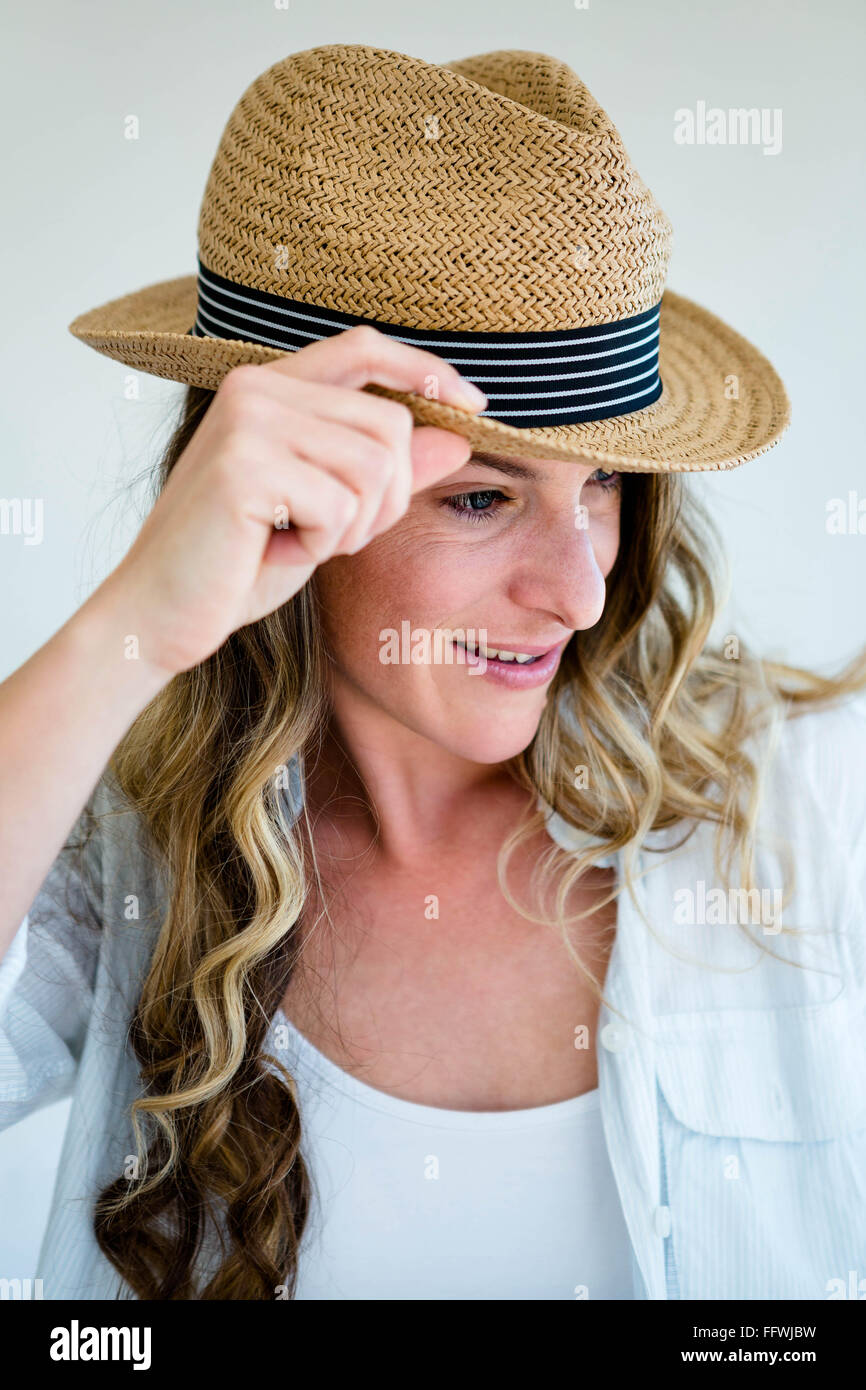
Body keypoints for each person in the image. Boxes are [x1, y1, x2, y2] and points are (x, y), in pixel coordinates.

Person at [1, 43, 864, 1302]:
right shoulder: (120, 862)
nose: (577, 590)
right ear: (274, 492)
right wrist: (127, 625)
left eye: (604, 485)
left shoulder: (806, 807)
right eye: (477, 497)